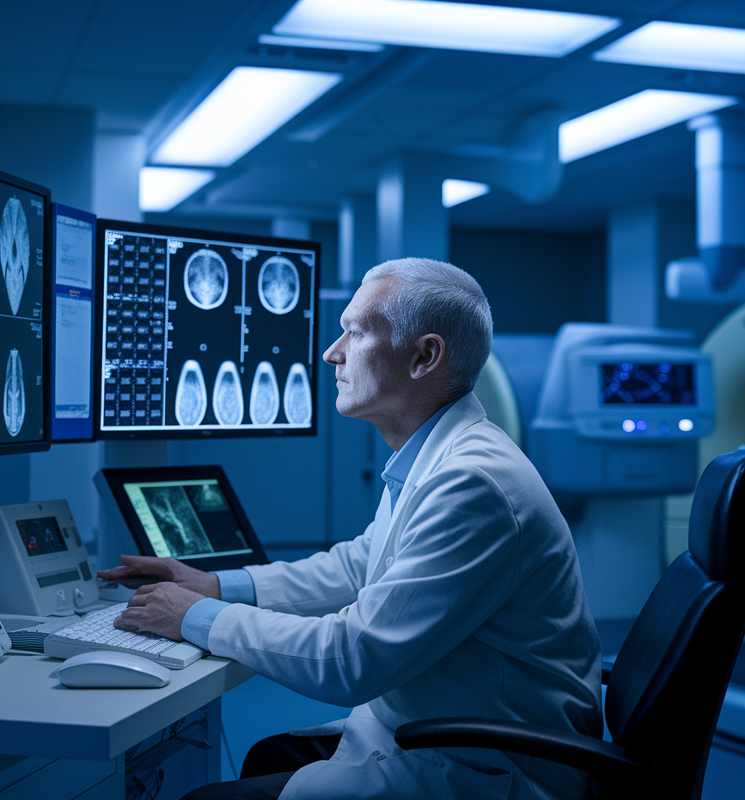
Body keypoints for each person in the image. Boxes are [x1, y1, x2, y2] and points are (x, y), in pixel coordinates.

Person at [100, 258, 602, 800]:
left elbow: (351, 661)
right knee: (267, 755)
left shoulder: (472, 483)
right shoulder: (438, 458)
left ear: (425, 356)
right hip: (439, 731)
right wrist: (217, 586)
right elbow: (362, 562)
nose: (331, 353)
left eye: (356, 333)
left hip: (490, 767)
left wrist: (194, 616)